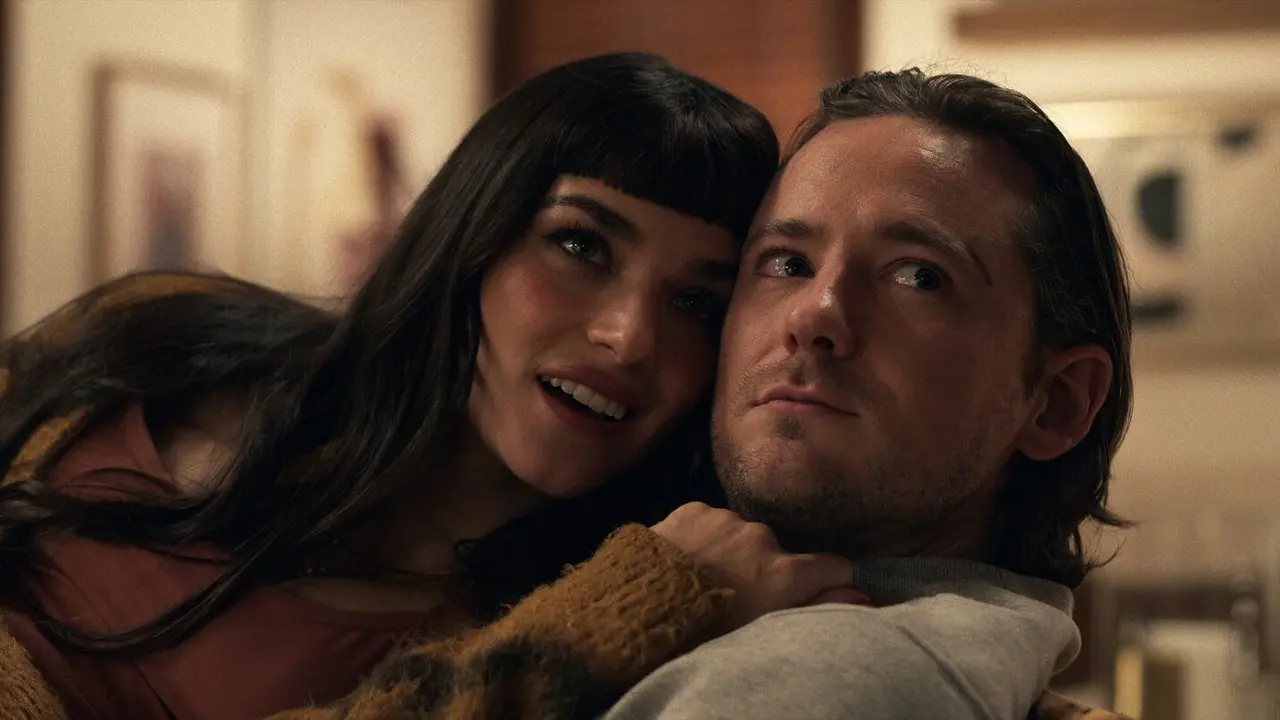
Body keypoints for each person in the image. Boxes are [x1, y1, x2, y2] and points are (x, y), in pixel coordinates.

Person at [0, 63, 1125, 720]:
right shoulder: (166, 335)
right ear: (471, 236)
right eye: (580, 246)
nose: (627, 336)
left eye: (697, 300)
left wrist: (630, 604)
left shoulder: (649, 600)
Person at [598, 68, 1135, 718]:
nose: (814, 313)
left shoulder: (844, 676)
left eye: (919, 277)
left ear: (1057, 402)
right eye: (787, 263)